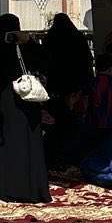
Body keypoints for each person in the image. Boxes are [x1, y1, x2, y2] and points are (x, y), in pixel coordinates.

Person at [0, 14, 50, 203]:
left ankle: (3, 187)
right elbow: (45, 60)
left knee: (4, 148)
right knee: (27, 146)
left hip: (0, 105)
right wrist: (27, 41)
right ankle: (28, 188)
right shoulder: (22, 48)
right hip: (24, 103)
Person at [41, 13, 93, 165]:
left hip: (55, 88)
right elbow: (86, 63)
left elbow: (44, 60)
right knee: (73, 125)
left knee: (55, 125)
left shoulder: (51, 38)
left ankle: (55, 156)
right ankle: (71, 157)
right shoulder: (78, 39)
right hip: (74, 89)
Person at [86, 54, 112, 136]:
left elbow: (87, 104)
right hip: (109, 123)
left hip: (93, 122)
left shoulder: (92, 82)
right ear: (110, 69)